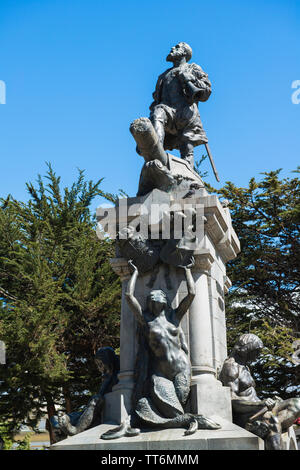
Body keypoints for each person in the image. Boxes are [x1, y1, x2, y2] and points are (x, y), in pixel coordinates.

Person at [219, 333, 300, 450]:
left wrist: (267, 402)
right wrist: (260, 404)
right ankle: (265, 425)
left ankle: (262, 427)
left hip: (261, 409)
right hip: (247, 414)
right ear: (247, 349)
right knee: (273, 422)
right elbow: (232, 400)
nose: (258, 355)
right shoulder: (231, 367)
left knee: (297, 403)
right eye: (256, 351)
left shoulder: (245, 367)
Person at [149, 42, 211, 167]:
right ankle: (156, 150)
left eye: (177, 47)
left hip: (186, 115)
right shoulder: (163, 75)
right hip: (168, 112)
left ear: (184, 52)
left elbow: (206, 92)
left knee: (187, 151)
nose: (172, 48)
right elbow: (157, 99)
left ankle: (190, 177)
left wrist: (190, 79)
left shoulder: (193, 68)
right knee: (158, 112)